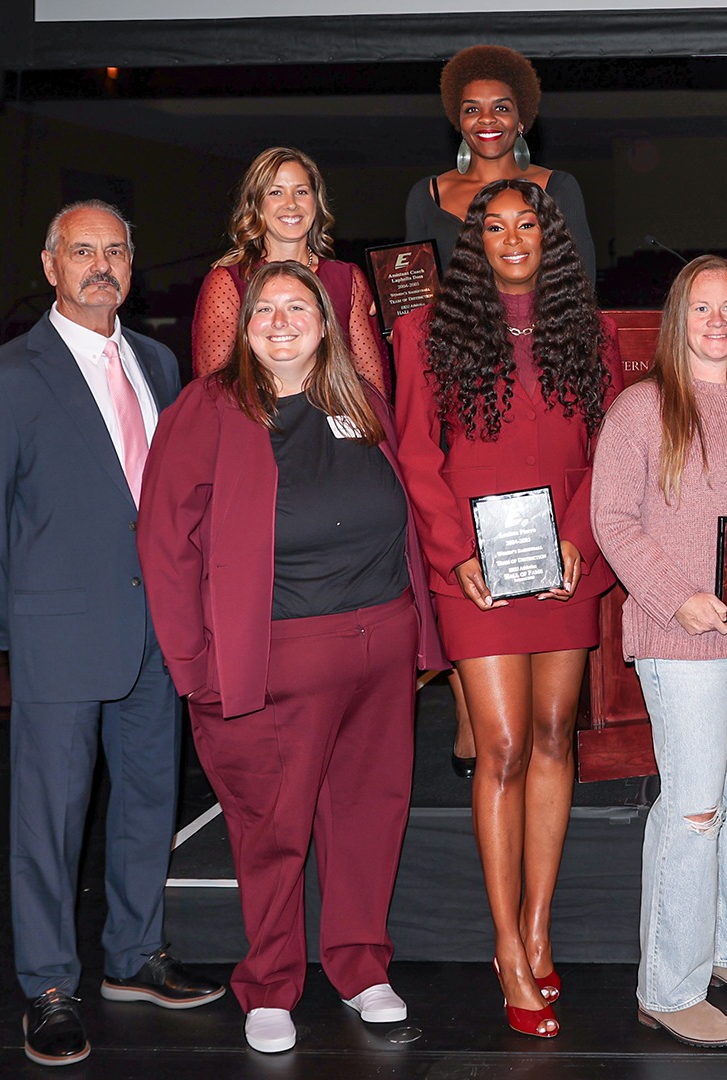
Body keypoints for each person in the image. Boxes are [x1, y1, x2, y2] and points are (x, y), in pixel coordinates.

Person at [136, 261, 442, 1053]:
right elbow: (164, 544)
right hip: (276, 658)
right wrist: (195, 666)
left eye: (296, 307)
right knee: (272, 829)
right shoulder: (207, 408)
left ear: (325, 322)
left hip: (381, 646)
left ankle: (361, 967)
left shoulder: (359, 400)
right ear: (241, 327)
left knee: (371, 813)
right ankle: (269, 984)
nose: (280, 320)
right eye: (263, 308)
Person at [0, 201, 224, 1068]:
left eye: (115, 252)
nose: (101, 265)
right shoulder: (3, 377)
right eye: (82, 252)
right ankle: (49, 985)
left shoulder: (158, 360)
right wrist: (19, 624)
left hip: (154, 632)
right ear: (49, 264)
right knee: (51, 820)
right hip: (58, 636)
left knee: (148, 802)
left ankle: (135, 957)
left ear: (131, 267)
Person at [392, 177, 621, 1038]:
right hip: (476, 571)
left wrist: (576, 535)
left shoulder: (584, 331)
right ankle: (503, 943)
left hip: (563, 560)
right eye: (495, 225)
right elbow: (416, 455)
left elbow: (610, 446)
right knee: (503, 743)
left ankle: (537, 924)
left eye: (528, 223)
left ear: (550, 237)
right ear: (473, 238)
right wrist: (454, 553)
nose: (513, 237)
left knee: (559, 736)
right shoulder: (426, 332)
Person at [591, 256, 727, 1048]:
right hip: (682, 637)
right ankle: (670, 984)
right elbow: (612, 520)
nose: (718, 322)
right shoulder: (641, 409)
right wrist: (674, 598)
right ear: (677, 318)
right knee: (694, 807)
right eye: (703, 308)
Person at [192, 146, 387, 392]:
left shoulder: (346, 278)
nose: (291, 204)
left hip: (334, 424)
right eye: (276, 192)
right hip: (259, 424)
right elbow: (213, 383)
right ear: (255, 204)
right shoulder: (228, 281)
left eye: (301, 192)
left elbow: (371, 382)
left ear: (316, 202)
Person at [406, 44, 596, 282]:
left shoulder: (558, 188)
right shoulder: (427, 195)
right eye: (472, 109)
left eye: (501, 107)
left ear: (520, 121)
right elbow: (413, 288)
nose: (486, 118)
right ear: (460, 123)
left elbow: (581, 282)